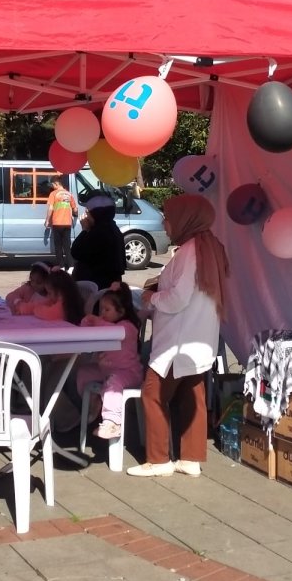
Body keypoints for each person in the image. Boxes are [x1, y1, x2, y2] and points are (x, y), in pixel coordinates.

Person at [128, 194, 228, 478]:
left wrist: (151, 297)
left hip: (178, 341)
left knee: (153, 394)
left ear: (185, 219)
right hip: (199, 338)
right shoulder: (211, 246)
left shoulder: (190, 251)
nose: (164, 223)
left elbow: (178, 298)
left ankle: (159, 460)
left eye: (168, 218)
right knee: (192, 396)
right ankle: (191, 458)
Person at [75, 283, 145, 440]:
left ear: (121, 311)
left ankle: (113, 422)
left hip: (128, 372)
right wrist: (87, 321)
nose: (102, 313)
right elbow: (88, 330)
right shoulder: (106, 325)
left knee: (113, 384)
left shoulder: (127, 327)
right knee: (83, 373)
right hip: (106, 370)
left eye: (107, 310)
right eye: (101, 309)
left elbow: (112, 331)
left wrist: (95, 320)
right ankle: (95, 402)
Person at [71, 194, 126, 288]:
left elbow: (76, 252)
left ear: (94, 214)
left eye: (87, 212)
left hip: (96, 286)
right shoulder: (113, 229)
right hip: (109, 283)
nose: (86, 216)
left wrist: (84, 230)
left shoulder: (97, 233)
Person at [13, 267, 84, 323]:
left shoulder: (64, 305)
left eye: (49, 293)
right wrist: (23, 307)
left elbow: (47, 313)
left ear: (59, 293)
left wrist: (35, 309)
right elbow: (39, 304)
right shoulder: (55, 300)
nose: (48, 296)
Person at [44, 174, 77, 268]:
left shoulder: (53, 194)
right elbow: (75, 209)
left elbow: (51, 208)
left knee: (58, 247)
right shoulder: (69, 194)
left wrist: (47, 220)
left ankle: (61, 267)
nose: (52, 187)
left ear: (56, 183)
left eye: (52, 185)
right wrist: (75, 214)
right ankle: (71, 267)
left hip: (57, 223)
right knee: (67, 246)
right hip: (67, 224)